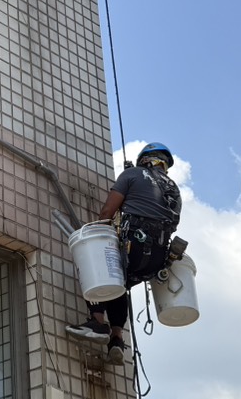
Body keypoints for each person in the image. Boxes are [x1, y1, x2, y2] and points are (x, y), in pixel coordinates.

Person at [67, 142, 182, 364]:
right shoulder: (174, 190)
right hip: (157, 259)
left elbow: (107, 212)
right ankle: (117, 339)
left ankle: (98, 322)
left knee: (97, 266)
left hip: (134, 246)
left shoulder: (132, 174)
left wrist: (96, 238)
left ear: (144, 160)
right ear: (165, 165)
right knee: (119, 283)